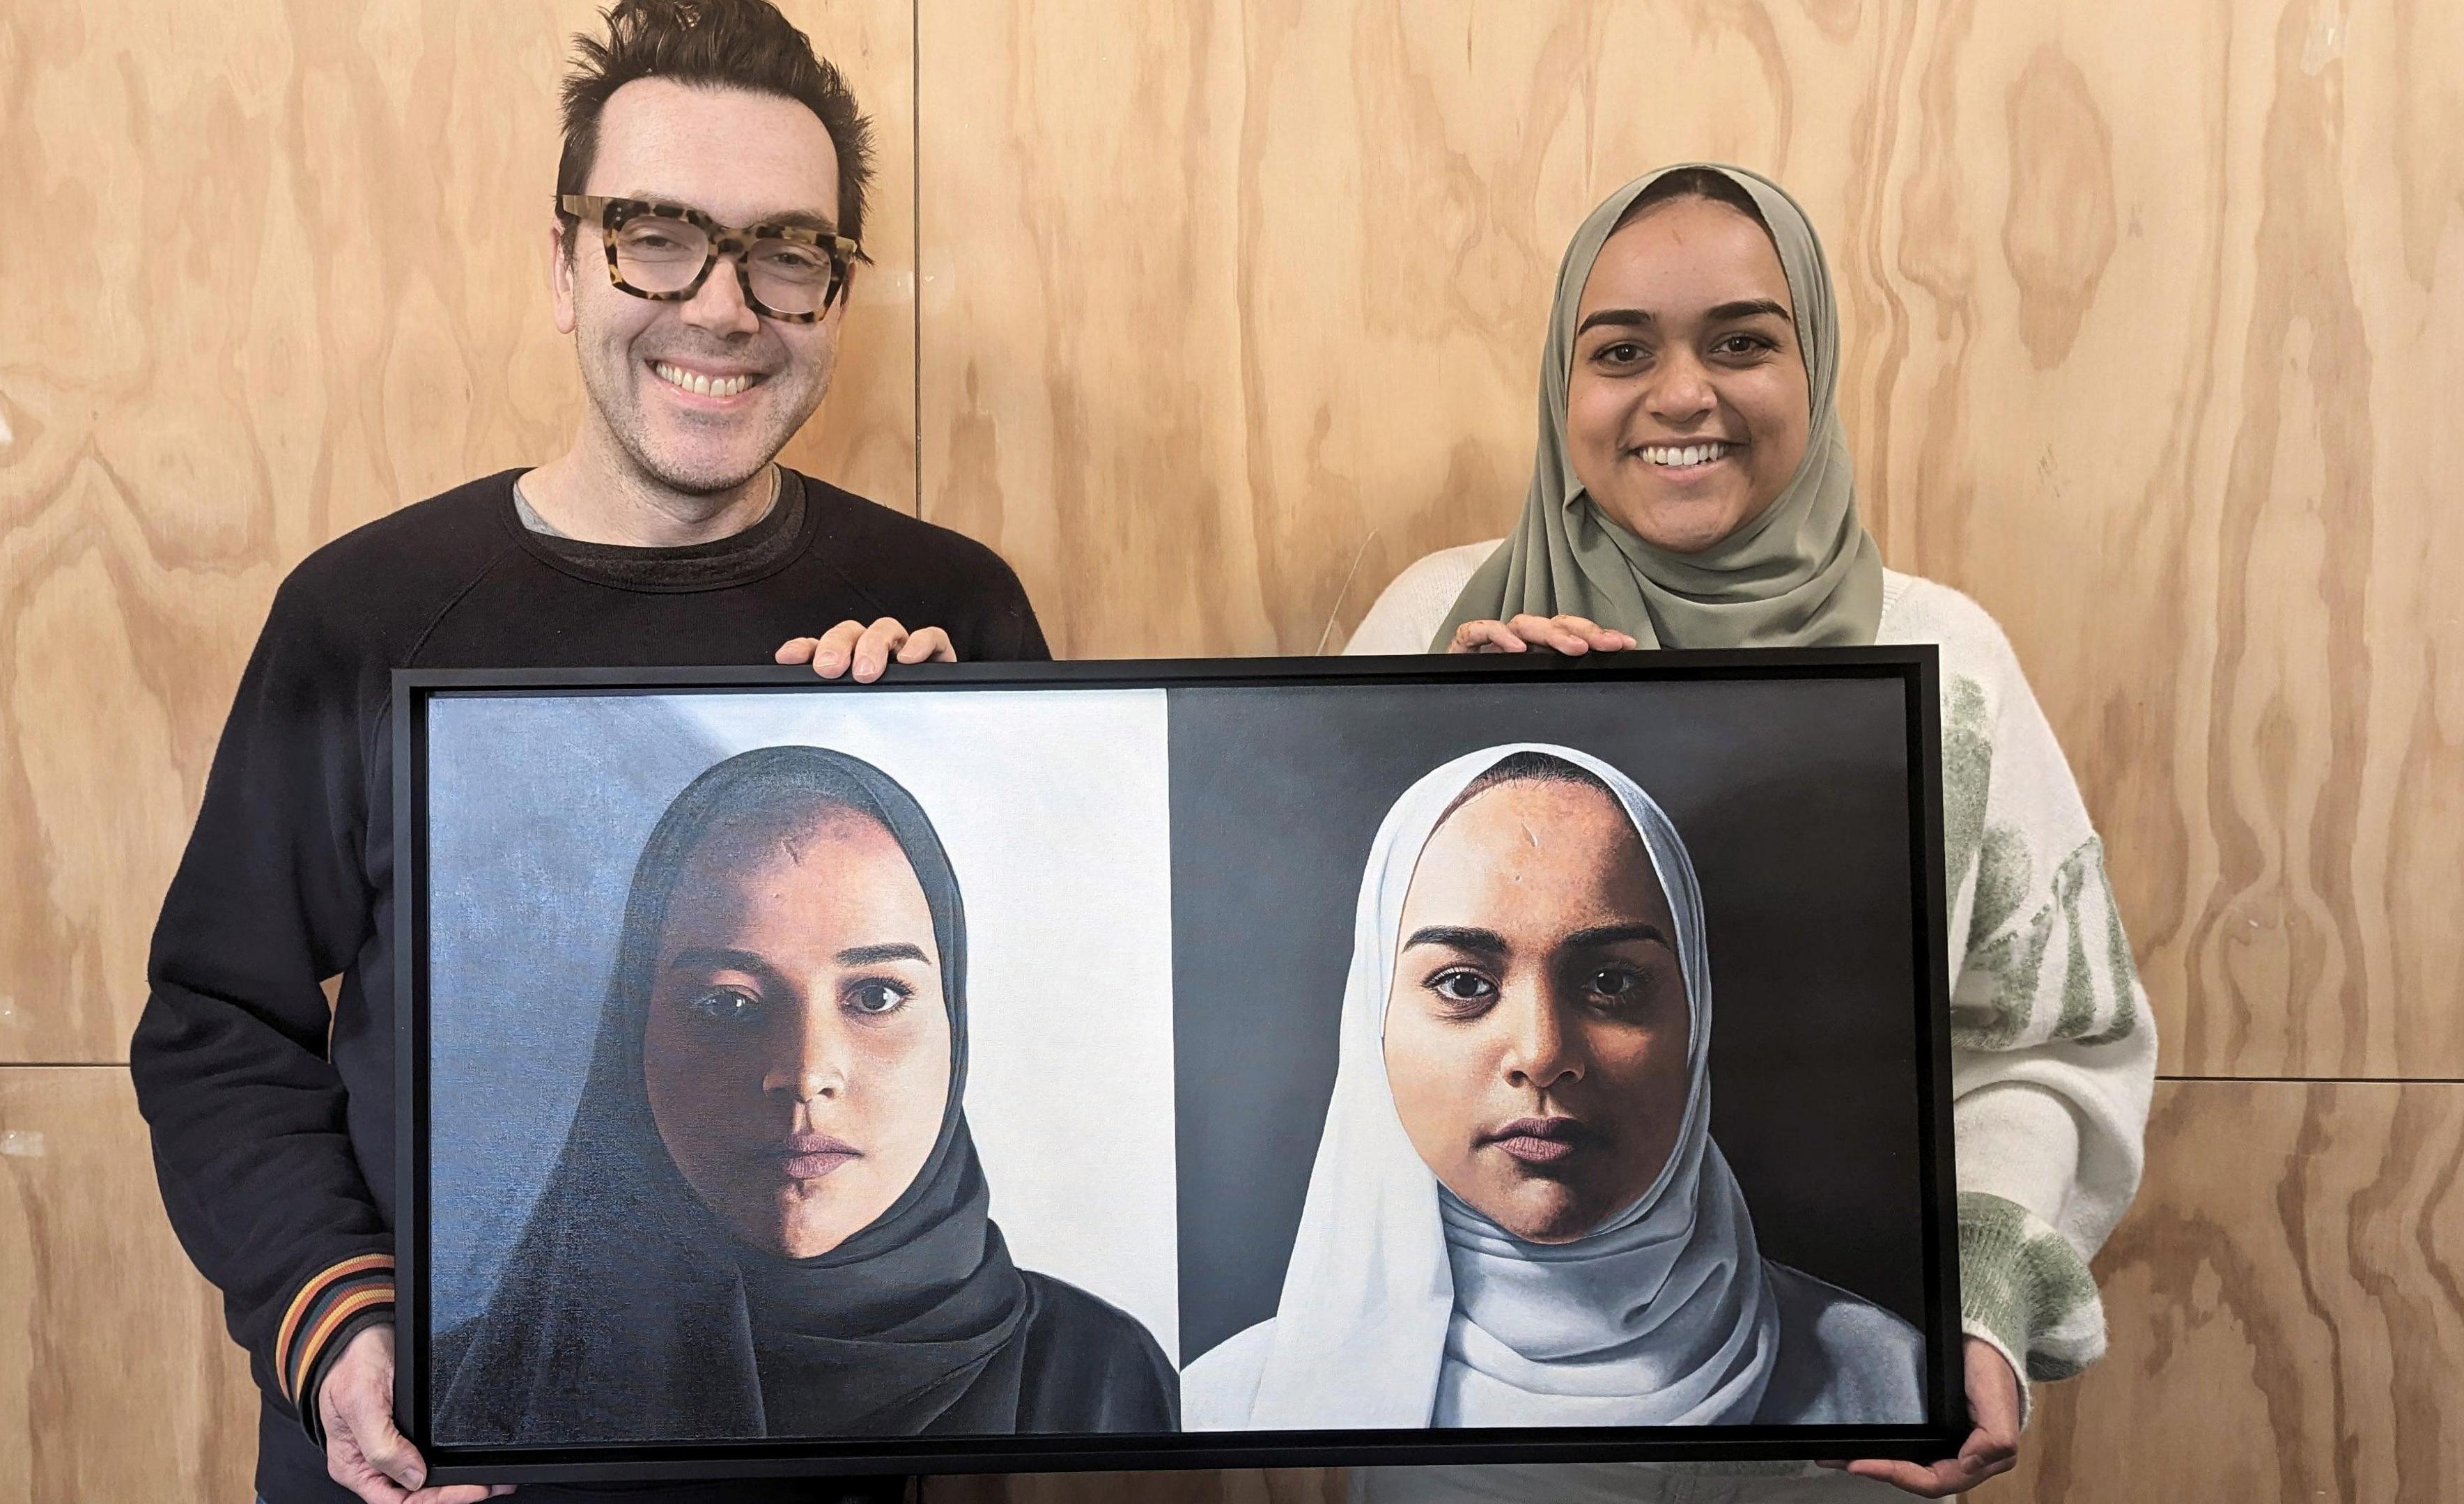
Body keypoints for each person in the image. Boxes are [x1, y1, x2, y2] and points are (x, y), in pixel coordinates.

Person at [130, 3, 1051, 1501]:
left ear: (834, 292)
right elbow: (215, 1024)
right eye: (657, 237)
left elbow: (971, 1047)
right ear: (564, 266)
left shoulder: (947, 612)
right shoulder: (363, 610)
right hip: (438, 1454)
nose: (725, 305)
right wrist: (336, 1317)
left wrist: (964, 757)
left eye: (786, 253)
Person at [1341, 164, 2156, 1499]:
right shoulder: (1437, 617)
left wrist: (1981, 1306)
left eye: (1741, 340)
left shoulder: (1941, 661)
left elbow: (2048, 1044)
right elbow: (1369, 1029)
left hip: (1832, 1441)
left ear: (1812, 363)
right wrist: (1446, 725)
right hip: (1464, 1427)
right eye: (1621, 350)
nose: (1681, 393)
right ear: (1566, 385)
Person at [431, 747, 1178, 1442]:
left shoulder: (1099, 1372)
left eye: (877, 994)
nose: (805, 1070)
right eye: (726, 1003)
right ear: (632, 1038)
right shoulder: (451, 1402)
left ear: (955, 1024)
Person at [1183, 745, 1921, 1432]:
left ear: (1696, 1013)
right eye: (1464, 983)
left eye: (1612, 981)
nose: (1542, 1054)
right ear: (1372, 1023)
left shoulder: (1887, 1380)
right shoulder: (1225, 1406)